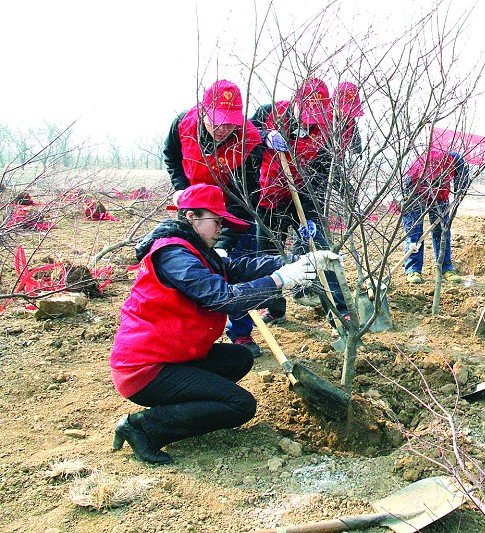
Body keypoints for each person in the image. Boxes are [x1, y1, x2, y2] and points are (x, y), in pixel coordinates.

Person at [109, 183, 338, 464]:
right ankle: (143, 427)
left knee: (239, 359)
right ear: (191, 217)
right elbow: (222, 298)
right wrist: (281, 280)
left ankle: (184, 410)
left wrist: (295, 261)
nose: (221, 228)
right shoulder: (174, 255)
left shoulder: (193, 248)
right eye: (216, 221)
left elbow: (237, 268)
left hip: (173, 355)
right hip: (145, 370)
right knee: (240, 405)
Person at [163, 79, 288, 357]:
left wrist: (224, 241)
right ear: (204, 111)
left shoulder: (248, 141)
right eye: (217, 120)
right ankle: (188, 332)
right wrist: (180, 187)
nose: (223, 128)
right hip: (194, 208)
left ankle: (241, 332)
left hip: (231, 208)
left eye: (230, 122)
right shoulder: (182, 124)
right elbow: (171, 156)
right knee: (190, 270)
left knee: (236, 267)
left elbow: (247, 196)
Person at [248, 78, 350, 323]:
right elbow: (242, 136)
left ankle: (338, 311)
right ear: (294, 102)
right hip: (268, 197)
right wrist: (264, 135)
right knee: (268, 252)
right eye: (305, 113)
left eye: (315, 116)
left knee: (320, 249)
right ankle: (274, 309)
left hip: (302, 195)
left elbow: (322, 172)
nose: (308, 121)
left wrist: (314, 210)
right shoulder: (269, 113)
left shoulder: (325, 129)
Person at [401, 147, 470, 284]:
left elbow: (462, 182)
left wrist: (459, 192)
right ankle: (413, 270)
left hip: (440, 197)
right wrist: (409, 201)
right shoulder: (421, 165)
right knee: (414, 234)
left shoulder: (455, 161)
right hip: (415, 195)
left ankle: (446, 268)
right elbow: (407, 187)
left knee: (442, 232)